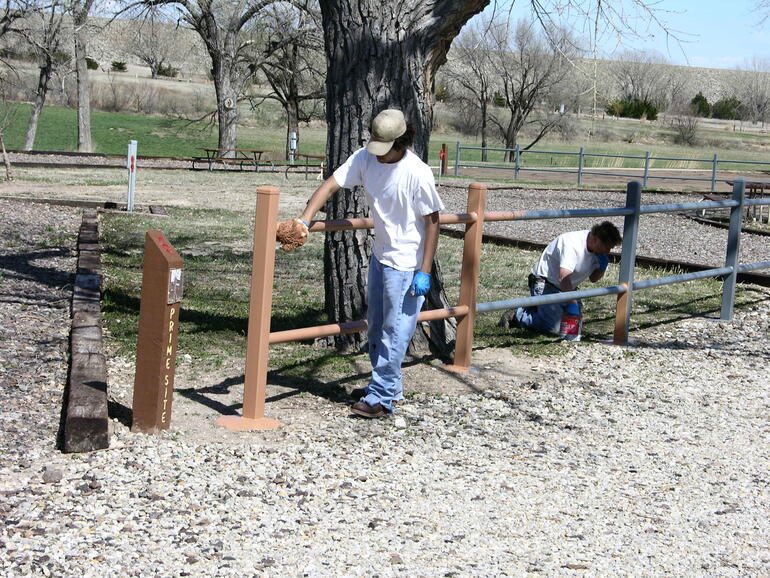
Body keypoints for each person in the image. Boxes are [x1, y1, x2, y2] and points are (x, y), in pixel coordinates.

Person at [282, 108, 444, 418]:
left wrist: (424, 271)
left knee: (397, 332)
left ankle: (382, 397)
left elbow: (433, 222)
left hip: (408, 264)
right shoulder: (365, 158)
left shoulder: (418, 173)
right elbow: (332, 183)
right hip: (381, 256)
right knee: (376, 331)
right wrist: (305, 219)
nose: (379, 156)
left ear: (401, 142)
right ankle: (385, 386)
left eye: (385, 150)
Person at [498, 221, 622, 336]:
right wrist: (572, 303)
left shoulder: (598, 252)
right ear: (596, 240)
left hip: (567, 288)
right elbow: (564, 277)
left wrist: (602, 268)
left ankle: (539, 307)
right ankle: (518, 314)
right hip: (545, 283)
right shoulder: (572, 243)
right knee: (554, 328)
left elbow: (593, 278)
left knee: (571, 328)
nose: (608, 251)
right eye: (607, 247)